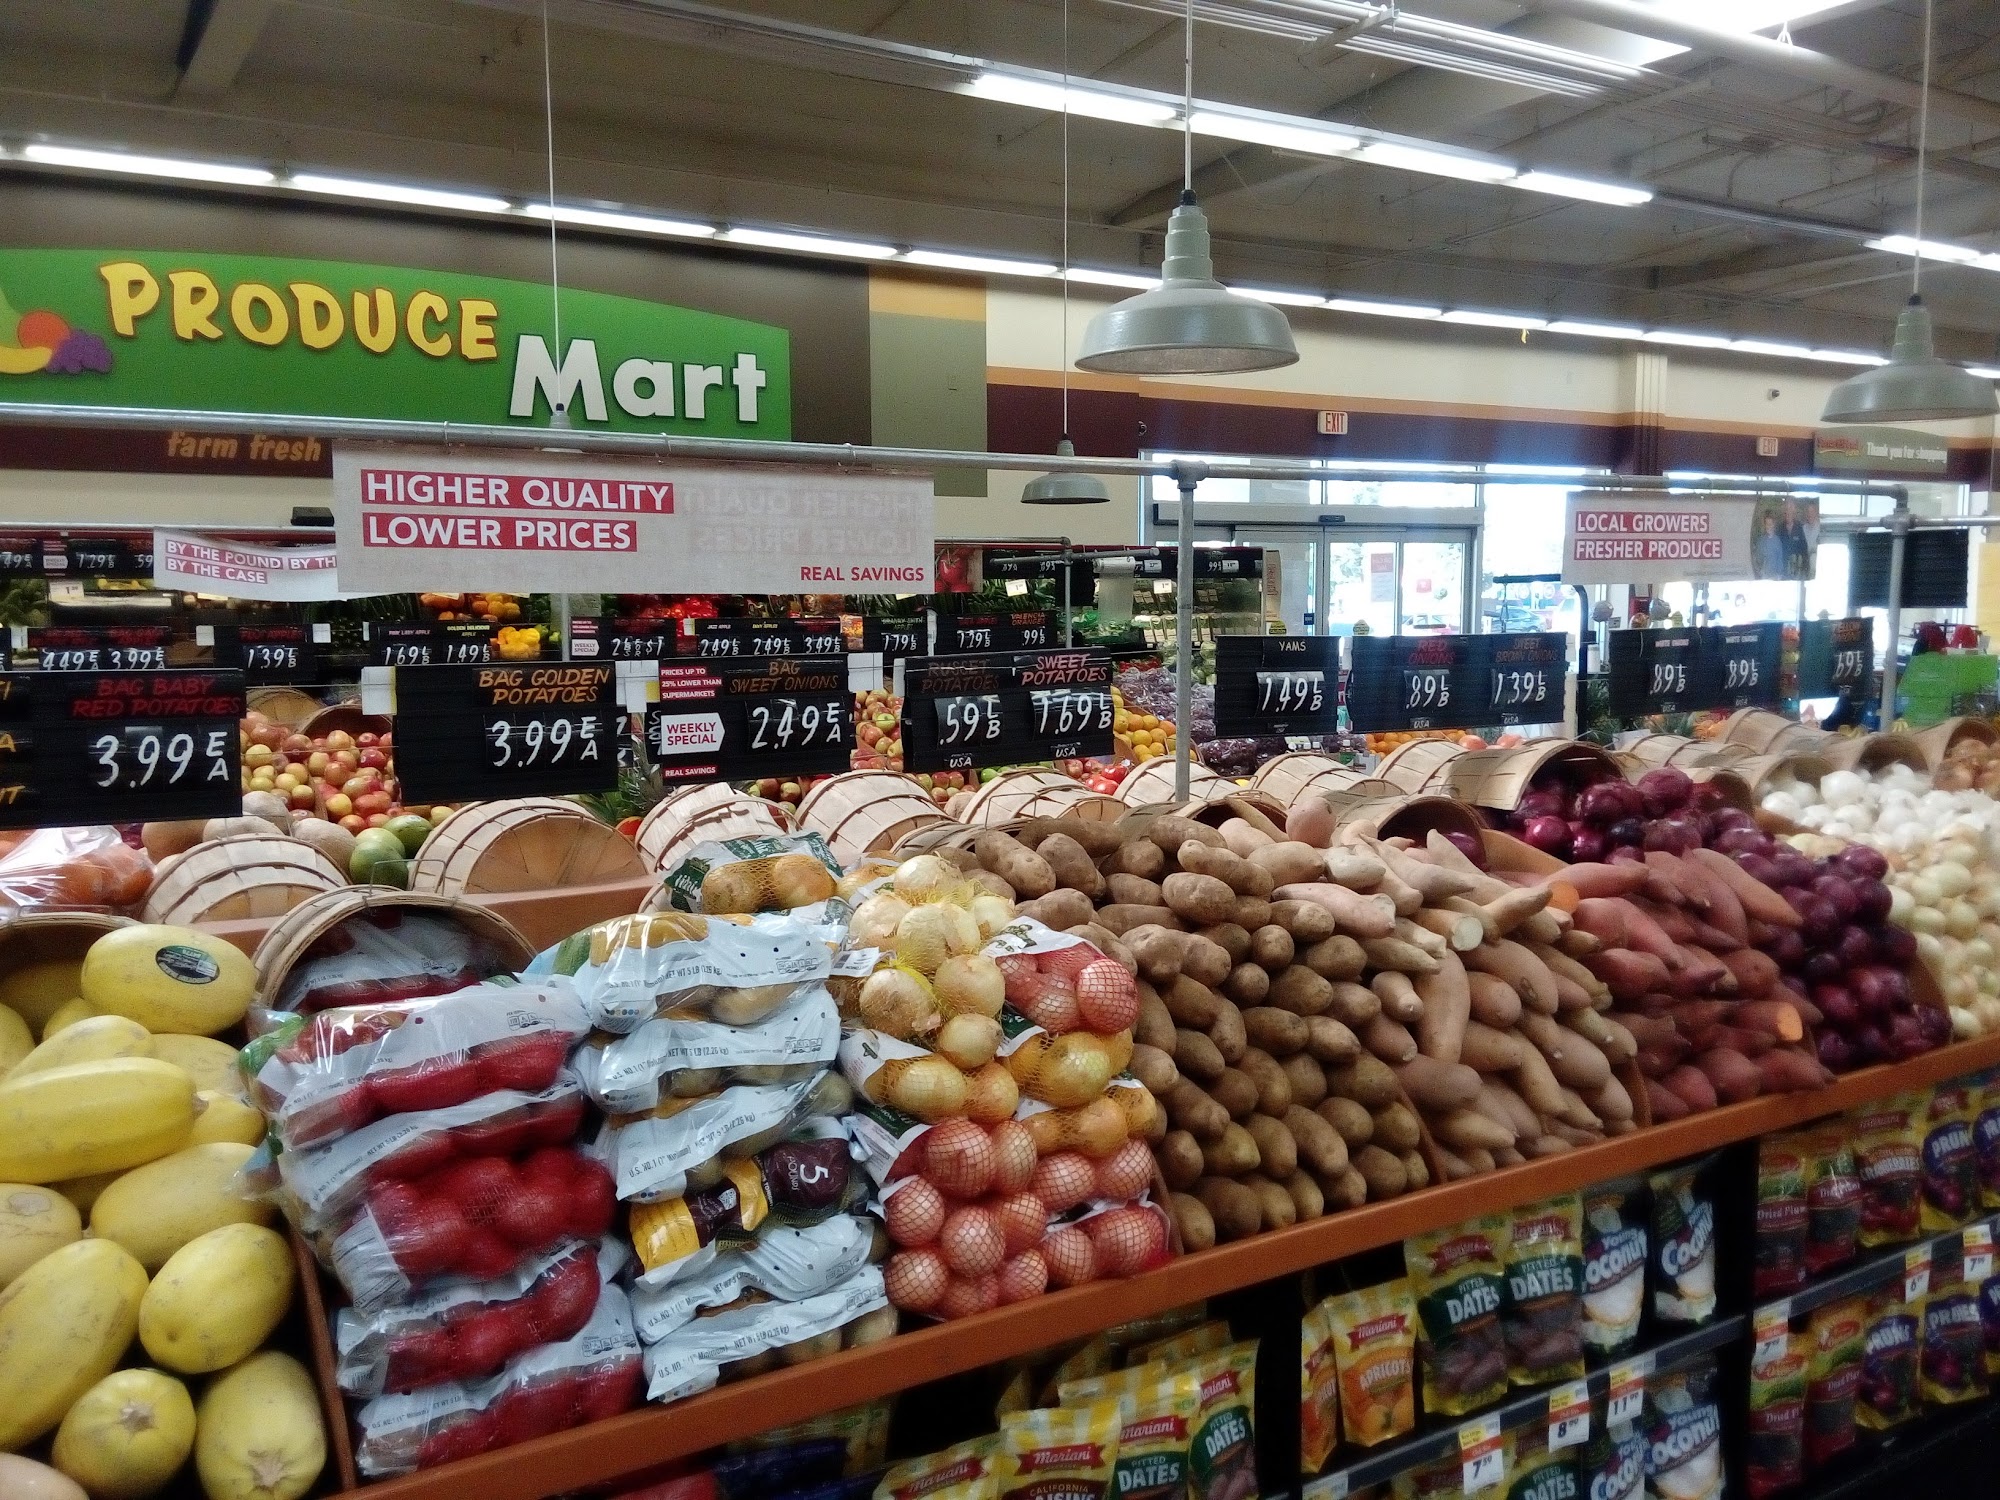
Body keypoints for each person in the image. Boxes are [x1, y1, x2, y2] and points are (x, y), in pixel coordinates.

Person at [1754, 513, 1785, 579]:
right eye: (1767, 524)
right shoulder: (1761, 541)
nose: (1768, 526)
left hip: (1775, 576)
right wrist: (1759, 572)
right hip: (1764, 576)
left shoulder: (1777, 541)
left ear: (1773, 525)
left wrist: (1779, 575)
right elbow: (1757, 559)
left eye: (1770, 524)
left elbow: (1780, 559)